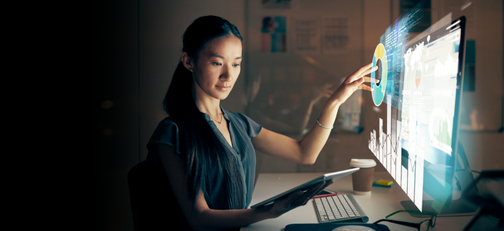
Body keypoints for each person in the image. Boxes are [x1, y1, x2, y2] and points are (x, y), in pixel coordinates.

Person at [144, 15, 377, 230]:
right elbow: (198, 217)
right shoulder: (172, 132)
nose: (228, 75)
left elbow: (305, 153)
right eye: (217, 63)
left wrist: (336, 100)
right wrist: (268, 211)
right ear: (188, 61)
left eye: (236, 64)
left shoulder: (238, 123)